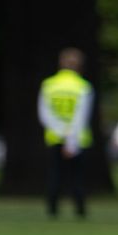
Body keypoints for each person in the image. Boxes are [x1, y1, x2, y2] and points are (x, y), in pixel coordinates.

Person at [38, 49, 94, 219]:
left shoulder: (49, 85)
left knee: (55, 174)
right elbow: (81, 116)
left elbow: (44, 113)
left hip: (54, 137)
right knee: (77, 177)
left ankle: (52, 209)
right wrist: (71, 140)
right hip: (78, 139)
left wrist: (60, 132)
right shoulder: (83, 86)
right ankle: (80, 209)